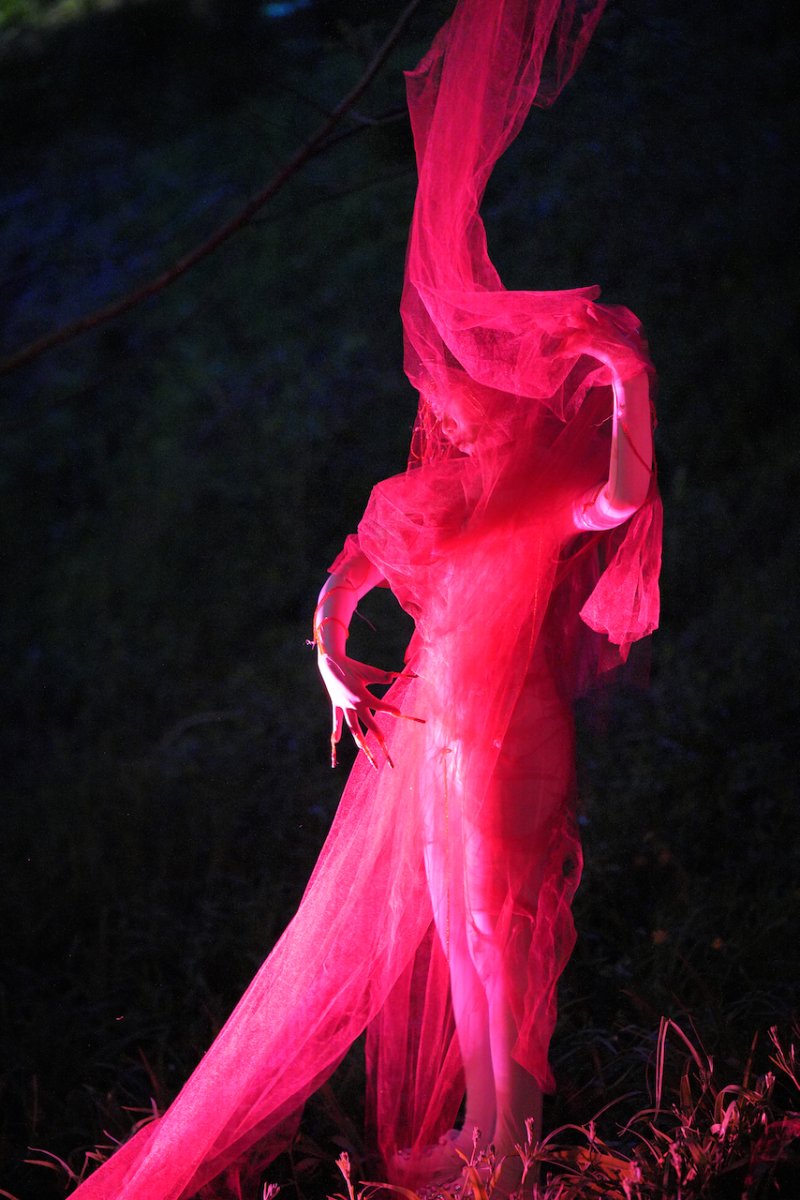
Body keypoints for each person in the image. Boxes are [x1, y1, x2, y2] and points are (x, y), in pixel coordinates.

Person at [69, 1, 661, 1196]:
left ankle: (512, 1149)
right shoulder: (421, 502)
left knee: (500, 931)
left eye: (462, 397)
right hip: (439, 727)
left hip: (511, 728)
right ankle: (495, 1146)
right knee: (466, 933)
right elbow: (342, 581)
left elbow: (614, 503)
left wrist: (624, 371)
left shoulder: (538, 485)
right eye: (442, 398)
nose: (446, 409)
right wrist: (331, 662)